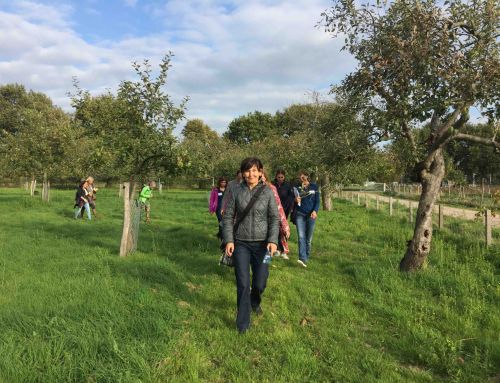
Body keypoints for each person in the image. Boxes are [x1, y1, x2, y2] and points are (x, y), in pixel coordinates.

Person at [223, 157, 279, 334]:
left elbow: (274, 218)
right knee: (243, 283)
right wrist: (229, 240)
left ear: (261, 172)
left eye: (254, 170)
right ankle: (243, 323)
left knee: (260, 282)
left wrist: (273, 240)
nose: (251, 174)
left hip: (264, 245)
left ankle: (255, 301)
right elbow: (227, 217)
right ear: (242, 173)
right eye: (247, 170)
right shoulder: (235, 191)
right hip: (241, 243)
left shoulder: (268, 191)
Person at [293, 171, 320, 268]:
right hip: (300, 214)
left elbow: (317, 201)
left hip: (311, 215)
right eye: (300, 177)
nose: (302, 178)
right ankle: (302, 258)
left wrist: (315, 211)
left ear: (307, 177)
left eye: (303, 177)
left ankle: (306, 257)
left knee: (308, 239)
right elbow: (294, 200)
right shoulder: (296, 187)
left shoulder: (314, 187)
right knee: (301, 237)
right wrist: (295, 200)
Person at [262, 170, 290, 260]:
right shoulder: (245, 189)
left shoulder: (271, 188)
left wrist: (285, 226)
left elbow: (279, 206)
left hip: (269, 221)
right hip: (251, 228)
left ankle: (265, 265)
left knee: (267, 250)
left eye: (262, 176)